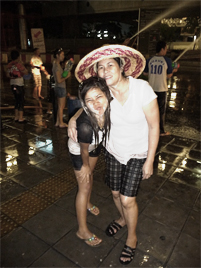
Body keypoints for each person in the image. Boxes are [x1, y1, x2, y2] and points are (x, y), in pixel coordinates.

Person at [68, 45, 159, 265]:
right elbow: (89, 103)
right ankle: (121, 219)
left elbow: (154, 126)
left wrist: (149, 160)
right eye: (101, 67)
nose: (106, 70)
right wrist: (74, 117)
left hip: (138, 153)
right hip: (113, 152)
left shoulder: (142, 89)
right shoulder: (106, 92)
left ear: (121, 67)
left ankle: (132, 238)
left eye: (111, 65)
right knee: (116, 194)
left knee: (128, 199)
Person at [68, 76, 112, 247]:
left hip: (95, 145)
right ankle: (82, 231)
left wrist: (73, 116)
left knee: (90, 177)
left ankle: (87, 203)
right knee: (84, 186)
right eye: (89, 100)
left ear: (107, 95)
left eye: (99, 96)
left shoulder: (108, 107)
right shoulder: (85, 125)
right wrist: (85, 166)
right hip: (80, 150)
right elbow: (83, 150)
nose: (96, 103)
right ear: (85, 104)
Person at [143, 40, 177, 136]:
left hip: (150, 89)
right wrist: (173, 71)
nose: (166, 50)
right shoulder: (167, 60)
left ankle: (148, 128)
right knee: (161, 111)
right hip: (161, 89)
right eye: (166, 48)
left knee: (150, 110)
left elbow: (145, 73)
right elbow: (169, 75)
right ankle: (161, 131)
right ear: (162, 49)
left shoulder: (149, 60)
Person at [6, 50, 29, 123]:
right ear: (18, 57)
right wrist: (22, 64)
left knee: (16, 100)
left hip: (12, 84)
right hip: (19, 84)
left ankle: (16, 116)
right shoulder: (19, 65)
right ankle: (21, 118)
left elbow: (7, 74)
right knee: (21, 100)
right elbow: (26, 72)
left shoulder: (9, 65)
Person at [52, 48, 70, 128]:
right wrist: (67, 77)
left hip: (59, 87)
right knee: (61, 106)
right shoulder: (56, 65)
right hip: (60, 87)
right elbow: (59, 80)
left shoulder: (56, 64)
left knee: (59, 106)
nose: (63, 56)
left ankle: (57, 122)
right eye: (62, 55)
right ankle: (61, 122)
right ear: (57, 55)